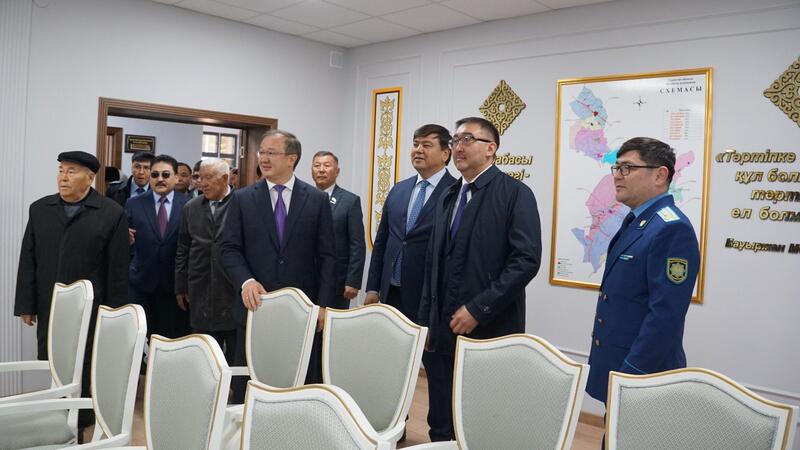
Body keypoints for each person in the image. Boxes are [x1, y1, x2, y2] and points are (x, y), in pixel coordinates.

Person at [418, 117, 542, 440]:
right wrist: (426, 321)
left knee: (482, 418)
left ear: (491, 149)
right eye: (455, 140)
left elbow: (526, 261)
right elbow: (433, 263)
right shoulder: (448, 196)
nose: (458, 147)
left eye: (467, 139)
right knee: (442, 416)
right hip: (442, 329)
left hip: (489, 327)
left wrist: (478, 308)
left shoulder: (515, 194)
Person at [15, 150, 129, 432]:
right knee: (54, 359)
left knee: (86, 360)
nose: (63, 177)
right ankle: (59, 411)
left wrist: (113, 315)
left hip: (92, 308)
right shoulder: (40, 209)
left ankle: (82, 418)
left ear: (89, 178)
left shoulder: (111, 213)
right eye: (61, 170)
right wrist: (26, 304)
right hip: (50, 304)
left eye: (71, 171)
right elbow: (28, 258)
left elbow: (117, 270)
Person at [221, 129, 336, 400]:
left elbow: (328, 257)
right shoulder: (243, 198)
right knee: (249, 387)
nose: (263, 158)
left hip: (302, 312)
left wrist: (323, 305)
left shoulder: (316, 200)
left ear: (291, 158)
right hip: (255, 308)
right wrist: (246, 281)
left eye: (271, 152)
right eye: (261, 152)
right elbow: (228, 249)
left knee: (297, 386)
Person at [586, 137, 700, 405]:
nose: (617, 175)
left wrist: (631, 375)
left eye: (627, 168)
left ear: (660, 175)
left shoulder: (672, 229)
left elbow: (665, 316)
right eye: (617, 168)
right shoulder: (637, 221)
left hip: (643, 373)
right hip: (618, 363)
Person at [364, 124, 456, 441]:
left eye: (427, 145)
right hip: (393, 295)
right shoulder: (400, 190)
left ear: (445, 153)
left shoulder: (456, 193)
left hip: (432, 300)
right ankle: (394, 428)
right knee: (394, 368)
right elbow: (383, 241)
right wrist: (373, 287)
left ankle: (442, 436)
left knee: (437, 371)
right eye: (415, 144)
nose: (418, 150)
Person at [175, 158, 237, 363]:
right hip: (200, 287)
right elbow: (183, 248)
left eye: (209, 178)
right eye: (200, 178)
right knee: (204, 354)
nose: (203, 184)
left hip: (232, 288)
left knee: (235, 351)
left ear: (225, 178)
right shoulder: (191, 207)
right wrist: (180, 285)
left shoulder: (241, 203)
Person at [126, 154, 190, 338]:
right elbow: (125, 239)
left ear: (176, 177)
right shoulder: (134, 203)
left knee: (171, 339)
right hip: (141, 284)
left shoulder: (188, 205)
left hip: (174, 287)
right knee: (139, 339)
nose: (160, 179)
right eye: (155, 175)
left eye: (165, 174)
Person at [311, 150, 366, 309]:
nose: (321, 170)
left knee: (330, 322)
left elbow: (357, 244)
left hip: (337, 281)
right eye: (317, 165)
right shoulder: (303, 198)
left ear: (337, 171)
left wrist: (353, 281)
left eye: (327, 165)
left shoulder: (350, 201)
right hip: (306, 279)